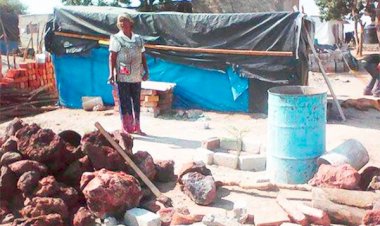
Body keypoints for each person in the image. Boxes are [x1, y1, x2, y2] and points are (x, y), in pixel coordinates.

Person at [108, 13, 149, 135]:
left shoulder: (138, 39)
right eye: (120, 21)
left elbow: (143, 55)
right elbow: (112, 57)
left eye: (124, 21)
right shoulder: (116, 38)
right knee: (124, 102)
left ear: (130, 23)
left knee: (136, 102)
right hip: (123, 75)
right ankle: (127, 129)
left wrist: (146, 70)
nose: (122, 23)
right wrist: (111, 73)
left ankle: (137, 127)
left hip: (137, 74)